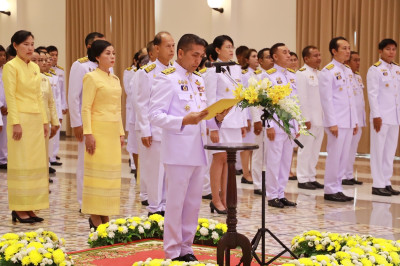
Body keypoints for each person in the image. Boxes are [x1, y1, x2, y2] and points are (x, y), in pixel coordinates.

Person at [149, 33, 228, 262]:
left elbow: (203, 116)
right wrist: (183, 120)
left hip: (198, 150)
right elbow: (155, 115)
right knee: (175, 205)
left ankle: (187, 248)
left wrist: (218, 118)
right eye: (194, 55)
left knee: (192, 205)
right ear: (180, 53)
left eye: (201, 56)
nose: (198, 60)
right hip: (177, 151)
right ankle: (172, 252)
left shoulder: (199, 80)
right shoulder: (167, 78)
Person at [2, 30, 49, 223]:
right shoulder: (11, 67)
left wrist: (45, 121)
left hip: (36, 120)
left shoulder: (35, 68)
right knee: (21, 163)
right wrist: (15, 122)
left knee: (35, 164)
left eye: (32, 44)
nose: (30, 48)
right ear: (15, 45)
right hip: (20, 119)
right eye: (26, 44)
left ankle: (30, 207)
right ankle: (19, 208)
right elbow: (10, 96)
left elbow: (39, 96)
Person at [81, 40, 124, 228]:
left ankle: (105, 212)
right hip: (97, 130)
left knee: (110, 176)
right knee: (96, 176)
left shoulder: (115, 79)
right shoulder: (91, 77)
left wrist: (121, 132)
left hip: (113, 132)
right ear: (97, 57)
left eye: (113, 53)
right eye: (107, 53)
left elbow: (118, 108)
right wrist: (88, 133)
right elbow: (86, 108)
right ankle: (94, 216)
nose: (112, 57)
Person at [132, 31, 175, 216]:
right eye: (168, 46)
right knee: (154, 171)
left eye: (173, 46)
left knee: (168, 171)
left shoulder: (174, 71)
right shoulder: (146, 72)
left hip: (170, 129)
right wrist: (144, 130)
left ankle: (165, 206)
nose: (172, 49)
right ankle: (155, 208)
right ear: (156, 48)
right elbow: (140, 103)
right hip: (153, 129)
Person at [204, 35, 247, 214]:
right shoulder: (212, 71)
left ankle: (226, 198)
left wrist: (243, 122)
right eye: (227, 47)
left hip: (234, 121)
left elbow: (242, 97)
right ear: (217, 50)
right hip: (221, 122)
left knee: (229, 161)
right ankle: (215, 198)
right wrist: (213, 126)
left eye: (232, 47)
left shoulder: (236, 70)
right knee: (219, 159)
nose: (231, 50)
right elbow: (209, 100)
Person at [68, 32, 106, 211]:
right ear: (90, 46)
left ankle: (98, 198)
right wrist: (77, 123)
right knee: (85, 160)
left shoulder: (106, 66)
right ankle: (84, 201)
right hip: (87, 121)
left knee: (100, 161)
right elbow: (74, 96)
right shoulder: (80, 65)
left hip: (103, 121)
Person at [319, 37, 358, 202]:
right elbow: (326, 100)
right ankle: (330, 189)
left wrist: (355, 120)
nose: (348, 51)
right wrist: (331, 122)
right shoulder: (327, 71)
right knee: (335, 155)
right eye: (344, 48)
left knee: (344, 156)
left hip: (348, 121)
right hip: (337, 122)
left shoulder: (348, 71)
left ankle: (338, 187)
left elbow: (351, 98)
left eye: (349, 48)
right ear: (334, 51)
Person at [263, 43, 298, 208]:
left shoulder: (291, 75)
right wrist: (268, 124)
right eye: (284, 52)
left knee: (286, 161)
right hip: (276, 124)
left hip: (289, 124)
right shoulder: (268, 76)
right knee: (274, 160)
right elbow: (266, 102)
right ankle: (272, 195)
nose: (288, 55)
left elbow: (295, 101)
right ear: (275, 57)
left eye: (289, 52)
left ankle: (281, 193)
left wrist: (297, 124)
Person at [367, 38, 400, 196]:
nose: (391, 52)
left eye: (393, 49)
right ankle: (377, 183)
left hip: (395, 117)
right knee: (378, 150)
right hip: (381, 117)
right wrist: (376, 115)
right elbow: (372, 95)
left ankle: (386, 181)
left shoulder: (397, 69)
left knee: (389, 151)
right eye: (388, 49)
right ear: (380, 51)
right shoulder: (375, 69)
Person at [296, 46, 325, 190]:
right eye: (315, 55)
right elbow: (301, 98)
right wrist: (304, 118)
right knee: (305, 149)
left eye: (319, 55)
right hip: (308, 119)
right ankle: (302, 178)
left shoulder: (320, 74)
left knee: (315, 150)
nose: (318, 58)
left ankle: (311, 176)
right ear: (306, 58)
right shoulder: (302, 74)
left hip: (320, 119)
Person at [34, 49, 60, 180]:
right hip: (31, 120)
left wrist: (55, 122)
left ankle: (43, 176)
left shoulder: (45, 79)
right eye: (37, 60)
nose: (41, 63)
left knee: (44, 151)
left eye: (42, 60)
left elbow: (51, 102)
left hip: (44, 121)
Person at [251, 48, 274, 195]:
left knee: (270, 155)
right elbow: (253, 101)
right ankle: (258, 184)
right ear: (260, 61)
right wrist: (256, 120)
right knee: (259, 154)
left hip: (272, 120)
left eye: (272, 57)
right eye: (267, 57)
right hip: (261, 119)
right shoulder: (257, 77)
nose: (271, 60)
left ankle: (268, 183)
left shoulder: (273, 76)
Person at [342, 51, 365, 186]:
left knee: (353, 149)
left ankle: (349, 174)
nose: (358, 63)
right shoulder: (345, 77)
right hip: (349, 119)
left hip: (358, 119)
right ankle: (343, 175)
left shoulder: (357, 76)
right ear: (347, 62)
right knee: (345, 148)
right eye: (355, 60)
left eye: (359, 60)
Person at [240, 48, 261, 185]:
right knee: (246, 147)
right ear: (247, 60)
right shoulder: (245, 75)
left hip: (258, 113)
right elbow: (245, 98)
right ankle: (245, 173)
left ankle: (253, 172)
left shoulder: (259, 74)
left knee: (254, 146)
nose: (256, 58)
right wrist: (246, 118)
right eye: (253, 56)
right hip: (249, 113)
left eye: (257, 56)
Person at [47, 45, 67, 164]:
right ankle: (50, 157)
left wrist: (64, 105)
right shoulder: (47, 72)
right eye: (52, 55)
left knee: (57, 130)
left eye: (56, 55)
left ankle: (53, 155)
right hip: (49, 105)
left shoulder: (60, 71)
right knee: (50, 131)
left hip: (58, 104)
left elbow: (62, 90)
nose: (54, 57)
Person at [0, 45, 7, 170]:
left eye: (4, 55)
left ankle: (3, 159)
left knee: (4, 136)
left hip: (6, 109)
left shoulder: (5, 71)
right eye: (0, 55)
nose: (3, 58)